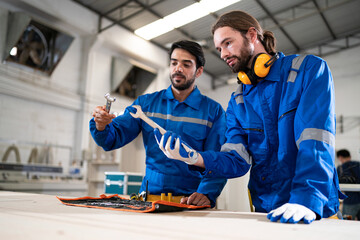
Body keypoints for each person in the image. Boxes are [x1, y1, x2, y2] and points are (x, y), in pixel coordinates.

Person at [154, 10, 345, 223]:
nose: (223, 54)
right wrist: (195, 157)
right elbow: (237, 161)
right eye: (219, 48)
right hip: (265, 210)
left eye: (227, 43)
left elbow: (315, 141)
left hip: (312, 208)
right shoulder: (238, 100)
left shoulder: (307, 70)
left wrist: (307, 198)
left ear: (252, 35)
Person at [90, 40, 227, 207]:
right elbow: (112, 138)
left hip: (190, 204)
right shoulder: (146, 104)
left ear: (198, 71)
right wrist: (101, 125)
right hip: (149, 201)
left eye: (186, 64)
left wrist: (207, 193)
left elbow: (218, 159)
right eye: (174, 63)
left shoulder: (213, 112)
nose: (178, 68)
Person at [337, 149, 360, 220]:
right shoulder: (358, 164)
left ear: (340, 157)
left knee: (347, 223)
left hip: (350, 201)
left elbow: (338, 185)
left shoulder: (341, 168)